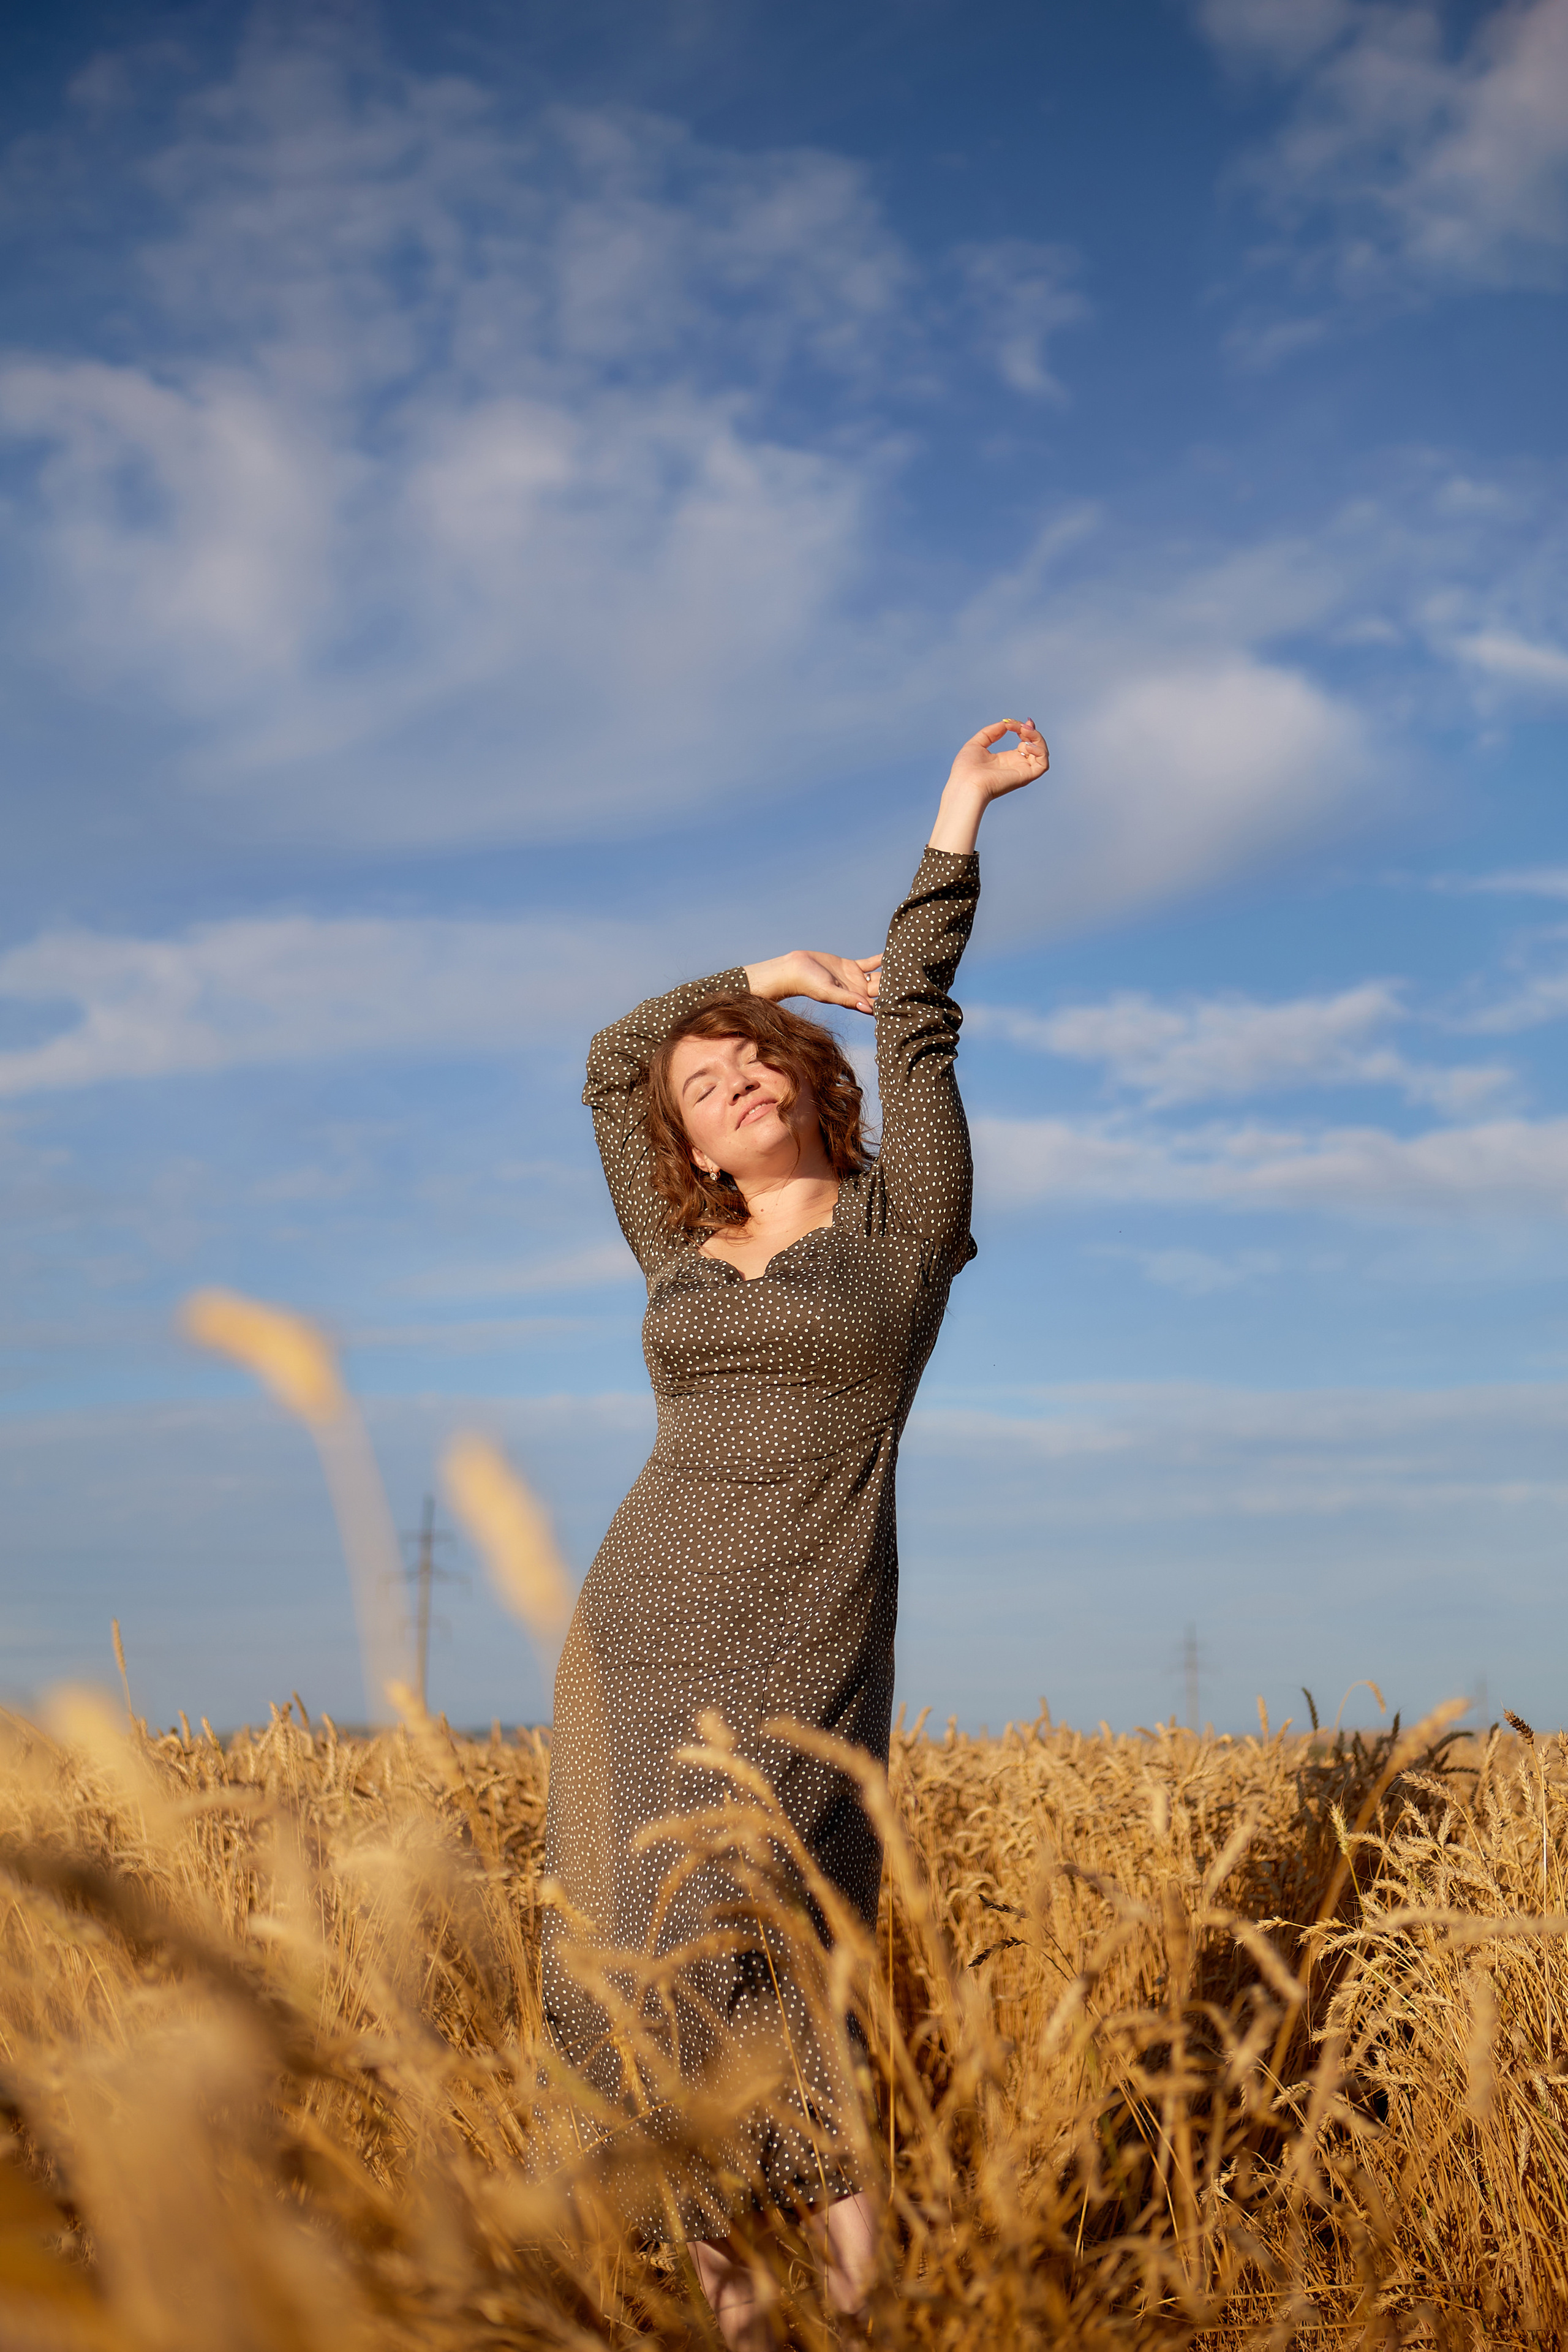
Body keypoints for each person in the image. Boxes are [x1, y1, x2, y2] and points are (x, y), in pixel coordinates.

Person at [541, 718, 1049, 2346]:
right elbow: (611, 1057)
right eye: (708, 1085)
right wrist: (758, 968)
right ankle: (737, 2315)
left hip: (812, 1619)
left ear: (809, 1084)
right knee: (625, 1962)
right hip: (636, 1621)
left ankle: (867, 2313)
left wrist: (956, 817)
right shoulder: (676, 1257)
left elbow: (920, 1031)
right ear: (686, 1148)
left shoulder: (907, 1228)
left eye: (754, 1055)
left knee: (770, 1948)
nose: (733, 1076)